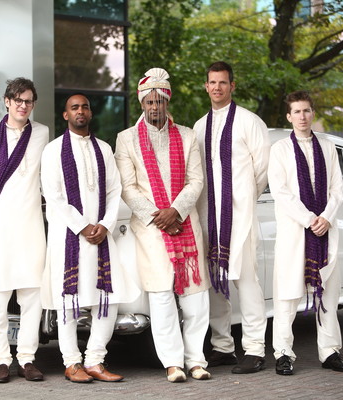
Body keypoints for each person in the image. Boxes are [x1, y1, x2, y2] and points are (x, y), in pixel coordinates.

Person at [115, 68, 211, 383]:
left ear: (167, 101)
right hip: (151, 229)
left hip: (184, 224)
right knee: (161, 295)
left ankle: (196, 359)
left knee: (195, 296)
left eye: (160, 101)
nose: (155, 107)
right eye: (149, 102)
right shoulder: (126, 139)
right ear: (142, 103)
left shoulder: (186, 135)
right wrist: (158, 215)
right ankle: (172, 362)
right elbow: (127, 188)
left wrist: (177, 211)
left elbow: (197, 180)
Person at [41, 93, 139, 384]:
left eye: (84, 106)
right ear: (65, 115)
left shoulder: (104, 149)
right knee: (68, 301)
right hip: (69, 236)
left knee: (108, 299)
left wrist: (106, 225)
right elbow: (53, 194)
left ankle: (95, 359)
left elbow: (113, 191)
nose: (80, 111)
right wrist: (83, 225)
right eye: (74, 107)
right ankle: (71, 363)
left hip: (100, 237)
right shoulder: (53, 150)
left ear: (90, 113)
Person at [193, 61, 270, 374]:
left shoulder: (250, 122)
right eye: (212, 82)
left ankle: (254, 349)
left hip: (240, 215)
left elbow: (262, 169)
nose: (217, 88)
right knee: (214, 281)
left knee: (246, 280)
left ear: (232, 86)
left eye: (222, 83)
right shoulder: (199, 126)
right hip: (208, 215)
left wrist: (242, 199)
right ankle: (223, 347)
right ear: (206, 86)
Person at [0, 78, 48, 383]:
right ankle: (1, 359)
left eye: (27, 101)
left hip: (31, 225)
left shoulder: (42, 133)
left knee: (32, 296)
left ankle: (26, 358)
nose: (22, 105)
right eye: (17, 100)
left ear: (33, 104)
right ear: (6, 101)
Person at [268, 90, 343, 375]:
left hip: (325, 232)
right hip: (295, 231)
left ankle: (330, 352)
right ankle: (283, 353)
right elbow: (281, 192)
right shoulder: (280, 149)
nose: (302, 117)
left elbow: (337, 190)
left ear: (312, 113)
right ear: (288, 117)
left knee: (328, 292)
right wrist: (309, 219)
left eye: (306, 111)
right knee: (287, 295)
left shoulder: (327, 147)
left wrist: (326, 218)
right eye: (297, 112)